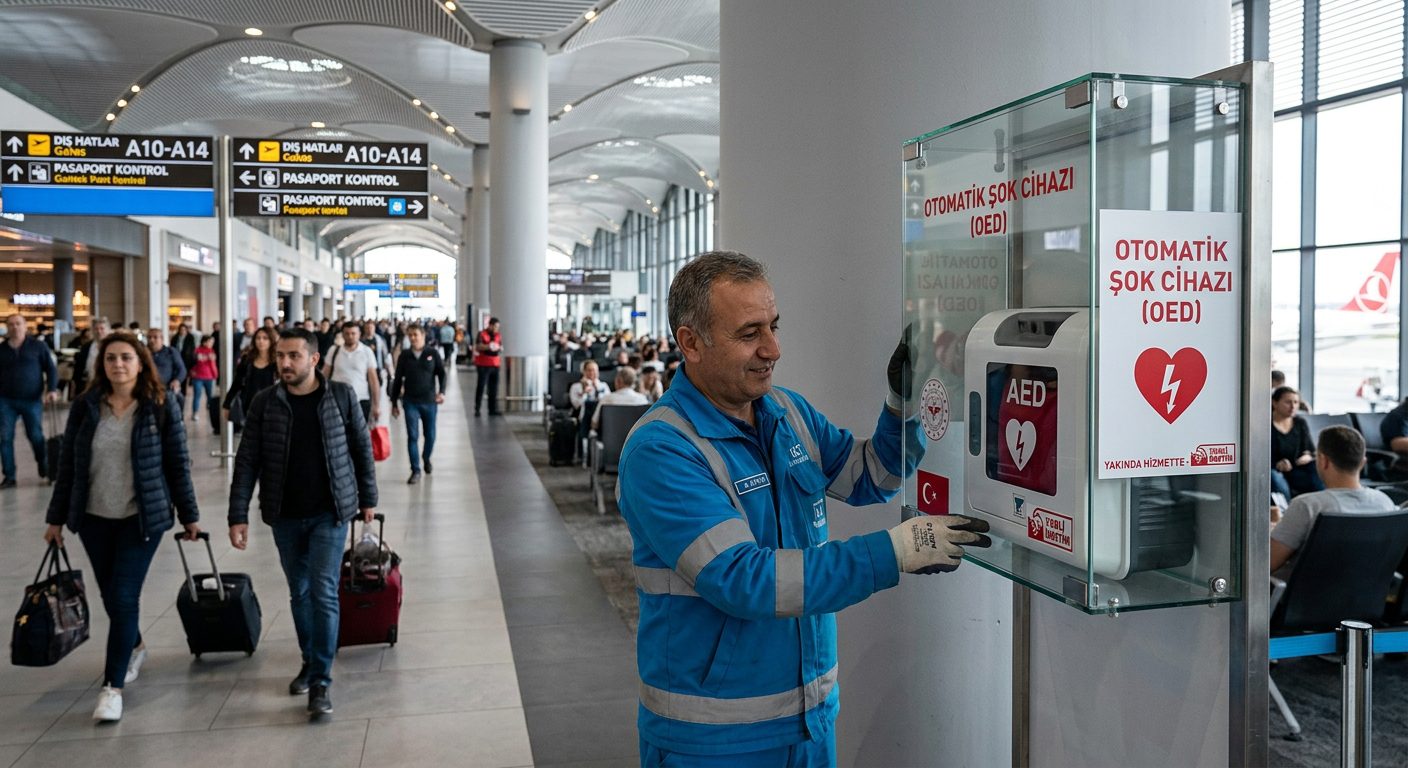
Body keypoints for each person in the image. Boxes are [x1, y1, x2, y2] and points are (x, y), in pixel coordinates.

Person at [617, 251, 991, 765]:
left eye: (773, 326)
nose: (773, 348)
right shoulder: (662, 449)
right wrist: (895, 552)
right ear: (691, 343)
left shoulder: (785, 412)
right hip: (713, 741)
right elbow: (743, 579)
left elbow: (871, 477)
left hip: (809, 721)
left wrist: (903, 404)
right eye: (750, 333)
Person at [44, 331, 199, 722]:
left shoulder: (161, 406)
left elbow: (177, 464)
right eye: (111, 358)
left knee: (125, 596)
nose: (118, 365)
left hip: (141, 518)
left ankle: (112, 688)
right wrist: (55, 518)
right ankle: (136, 644)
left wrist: (189, 515)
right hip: (94, 519)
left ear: (140, 362)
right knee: (112, 598)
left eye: (126, 357)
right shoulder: (85, 406)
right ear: (103, 364)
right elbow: (68, 468)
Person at [227, 328, 378, 717]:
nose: (285, 363)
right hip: (285, 514)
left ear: (314, 359)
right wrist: (237, 513)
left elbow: (362, 448)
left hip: (330, 512)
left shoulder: (340, 396)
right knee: (299, 591)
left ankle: (321, 681)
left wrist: (368, 500)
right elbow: (247, 461)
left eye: (293, 356)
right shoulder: (265, 402)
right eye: (280, 356)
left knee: (324, 591)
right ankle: (310, 661)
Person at [1271, 425, 1396, 580]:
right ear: (1362, 462)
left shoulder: (1307, 506)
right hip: (1367, 601)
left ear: (1323, 461)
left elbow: (1268, 563)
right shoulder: (1384, 503)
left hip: (1301, 601)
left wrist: (1276, 528)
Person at [0, 313, 60, 487]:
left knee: (35, 436)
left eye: (18, 323)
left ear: (25, 326)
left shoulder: (37, 346)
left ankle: (44, 466)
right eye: (11, 324)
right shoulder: (2, 350)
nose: (15, 327)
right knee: (5, 438)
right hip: (6, 400)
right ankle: (9, 476)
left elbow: (51, 369)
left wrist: (52, 389)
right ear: (7, 328)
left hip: (32, 399)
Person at [390, 324, 446, 485]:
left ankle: (426, 457)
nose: (413, 338)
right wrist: (394, 403)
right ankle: (415, 470)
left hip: (429, 401)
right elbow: (398, 378)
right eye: (410, 335)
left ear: (423, 335)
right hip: (410, 402)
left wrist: (441, 392)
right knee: (412, 436)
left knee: (430, 435)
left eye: (415, 335)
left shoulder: (432, 353)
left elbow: (442, 374)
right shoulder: (405, 356)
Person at [322, 322, 380, 424]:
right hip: (336, 400)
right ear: (342, 335)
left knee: (359, 434)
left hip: (361, 399)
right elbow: (325, 374)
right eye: (347, 333)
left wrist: (376, 405)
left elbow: (373, 380)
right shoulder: (334, 350)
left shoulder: (366, 352)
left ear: (359, 334)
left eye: (353, 333)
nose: (350, 336)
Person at [1271, 386, 1324, 499]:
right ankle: (1287, 510)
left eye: (1296, 402)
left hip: (1298, 469)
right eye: (1288, 402)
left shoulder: (1300, 422)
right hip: (1275, 469)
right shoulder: (1266, 424)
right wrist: (1277, 463)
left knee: (1316, 467)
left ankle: (1322, 504)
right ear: (1275, 403)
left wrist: (1307, 455)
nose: (1293, 406)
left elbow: (1310, 449)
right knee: (1274, 477)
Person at [226, 326, 278, 432]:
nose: (261, 341)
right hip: (249, 406)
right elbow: (237, 383)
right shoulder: (247, 359)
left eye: (265, 338)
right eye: (258, 338)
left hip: (272, 407)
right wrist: (227, 404)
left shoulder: (277, 361)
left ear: (271, 340)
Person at [569, 359, 610, 461]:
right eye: (589, 370)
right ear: (584, 372)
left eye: (595, 370)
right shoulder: (576, 387)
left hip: (602, 417)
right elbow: (576, 405)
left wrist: (597, 389)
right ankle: (584, 454)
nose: (592, 373)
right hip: (583, 416)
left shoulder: (603, 386)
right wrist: (584, 393)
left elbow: (608, 403)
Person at [590, 365, 648, 433]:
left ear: (618, 381)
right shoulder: (643, 400)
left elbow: (594, 424)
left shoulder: (606, 399)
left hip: (609, 440)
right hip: (634, 441)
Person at [145, 328, 187, 408]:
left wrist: (177, 381)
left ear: (162, 339)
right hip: (148, 388)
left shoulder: (171, 352)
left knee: (180, 399)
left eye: (155, 337)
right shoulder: (143, 353)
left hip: (167, 388)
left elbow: (182, 369)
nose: (151, 340)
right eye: (149, 337)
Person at [472, 317, 503, 417]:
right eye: (495, 326)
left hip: (495, 364)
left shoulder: (498, 335)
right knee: (481, 386)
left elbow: (500, 346)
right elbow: (478, 346)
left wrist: (499, 348)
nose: (496, 329)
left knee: (493, 388)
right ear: (490, 325)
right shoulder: (482, 334)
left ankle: (492, 409)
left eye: (498, 327)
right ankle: (477, 408)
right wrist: (489, 346)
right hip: (483, 365)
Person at [72, 317, 110, 394]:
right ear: (92, 331)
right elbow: (79, 368)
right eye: (96, 329)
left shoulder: (113, 347)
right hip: (89, 386)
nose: (99, 331)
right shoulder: (86, 347)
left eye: (102, 328)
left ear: (108, 330)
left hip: (109, 387)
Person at [189, 335, 218, 422]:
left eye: (212, 342)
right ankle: (195, 413)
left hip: (209, 377)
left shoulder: (212, 351)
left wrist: (215, 375)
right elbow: (193, 361)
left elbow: (213, 365)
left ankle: (211, 413)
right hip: (198, 377)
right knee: (197, 395)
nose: (211, 344)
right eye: (210, 342)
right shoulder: (196, 350)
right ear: (204, 342)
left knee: (210, 397)